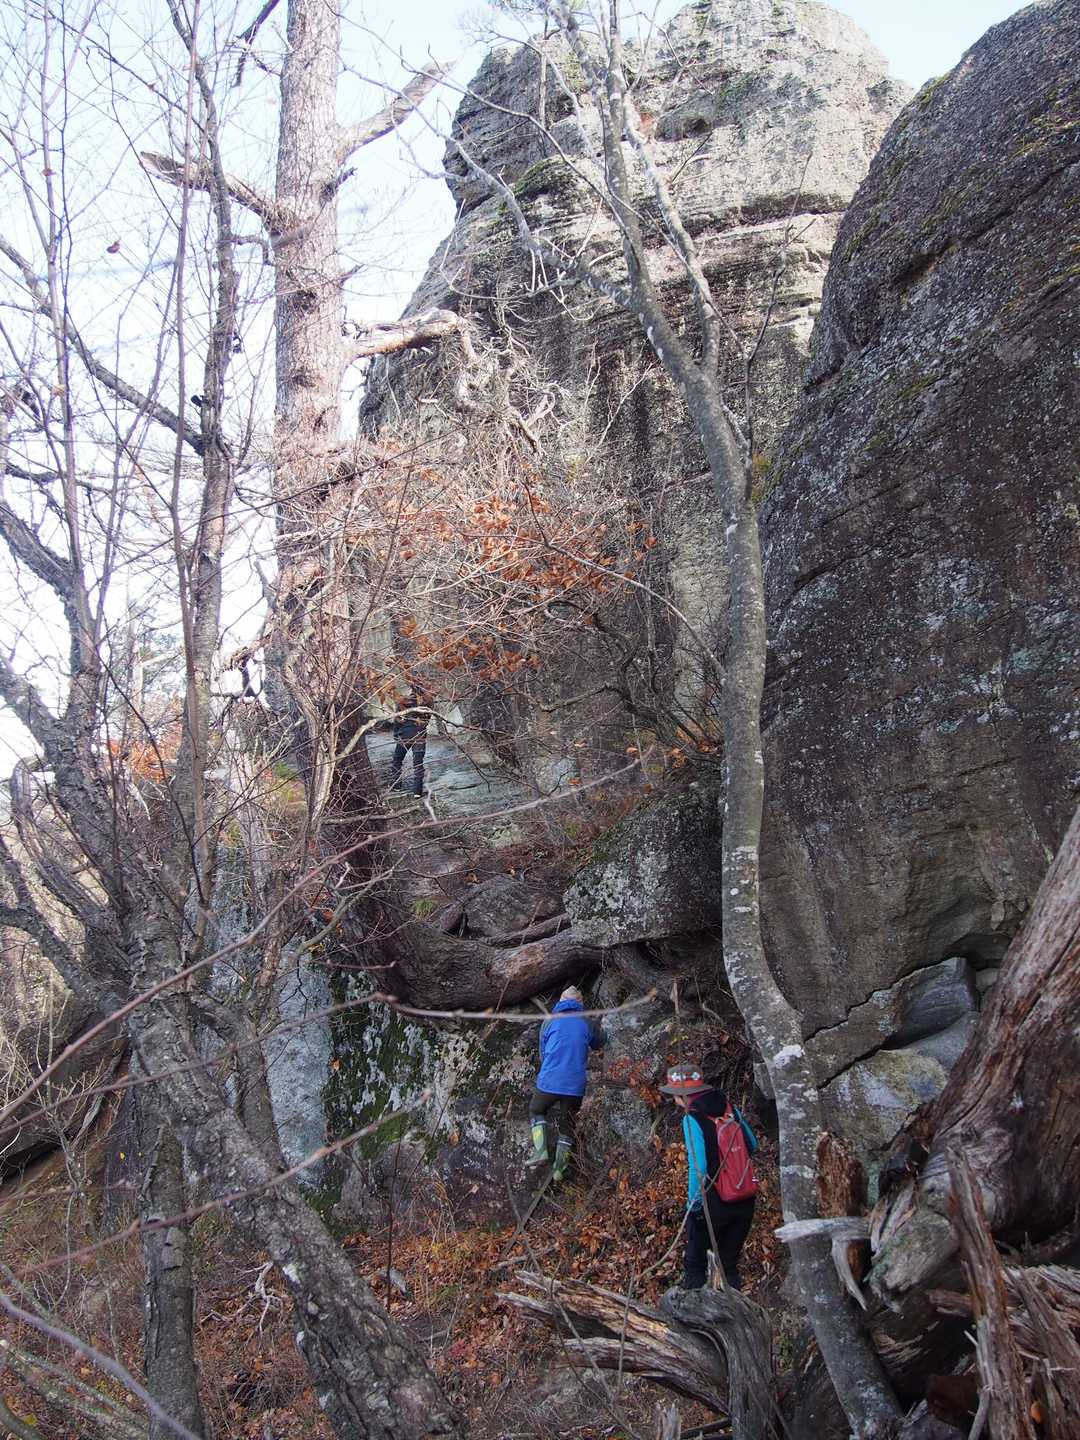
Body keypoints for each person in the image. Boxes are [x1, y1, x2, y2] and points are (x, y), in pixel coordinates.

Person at [660, 1064, 758, 1290]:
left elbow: (699, 1167)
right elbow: (752, 1144)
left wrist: (693, 1205)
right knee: (728, 1266)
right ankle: (733, 1310)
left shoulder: (692, 1119)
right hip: (744, 1198)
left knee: (695, 1266)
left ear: (683, 1095)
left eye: (674, 1095)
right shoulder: (730, 1109)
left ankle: (694, 1310)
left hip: (713, 1203)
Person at [525, 985, 605, 1181]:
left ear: (561, 1001)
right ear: (580, 1003)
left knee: (536, 1109)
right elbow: (599, 1042)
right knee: (567, 1125)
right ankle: (559, 1170)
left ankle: (541, 1152)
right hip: (575, 1086)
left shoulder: (549, 1021)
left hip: (550, 1080)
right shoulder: (586, 1022)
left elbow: (543, 1053)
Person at [389, 687, 432, 797]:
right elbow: (427, 720)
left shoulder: (402, 701)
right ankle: (417, 792)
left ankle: (397, 786)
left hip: (405, 735)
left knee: (397, 760)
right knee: (418, 764)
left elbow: (397, 721)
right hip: (420, 735)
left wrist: (396, 735)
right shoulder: (428, 701)